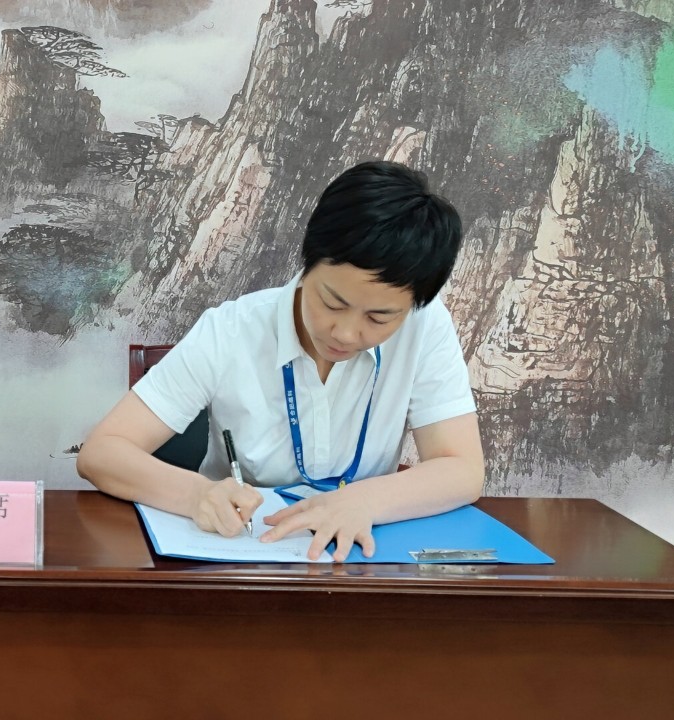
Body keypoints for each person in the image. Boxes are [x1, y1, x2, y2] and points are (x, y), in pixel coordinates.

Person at [77, 160, 482, 562]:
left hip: (354, 564)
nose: (345, 333)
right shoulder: (231, 329)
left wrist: (365, 501)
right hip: (240, 557)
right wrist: (198, 494)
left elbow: (462, 469)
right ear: (308, 263)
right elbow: (102, 453)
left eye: (379, 318)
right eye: (332, 303)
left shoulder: (425, 326)